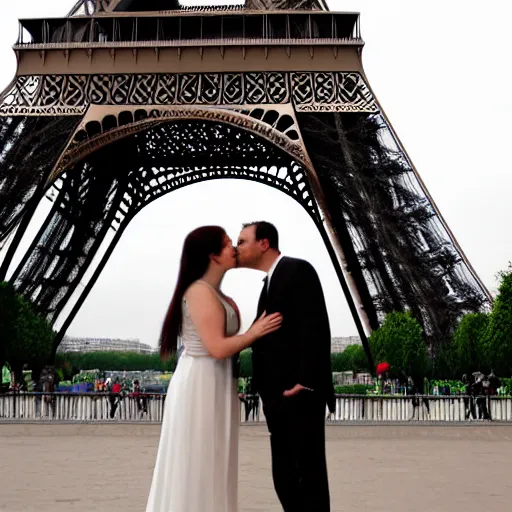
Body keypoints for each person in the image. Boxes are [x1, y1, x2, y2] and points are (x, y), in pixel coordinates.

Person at [146, 225, 282, 512]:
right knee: (201, 459)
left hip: (215, 380)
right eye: (227, 243)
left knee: (212, 458)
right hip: (201, 384)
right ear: (213, 255)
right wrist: (255, 333)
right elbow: (217, 347)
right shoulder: (198, 291)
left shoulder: (213, 292)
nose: (233, 248)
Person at [237, 221, 335, 512]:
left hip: (298, 395)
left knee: (306, 475)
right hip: (278, 396)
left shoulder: (296, 270)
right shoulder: (272, 280)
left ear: (264, 243)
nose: (236, 247)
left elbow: (316, 328)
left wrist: (305, 381)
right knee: (286, 476)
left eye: (242, 241)